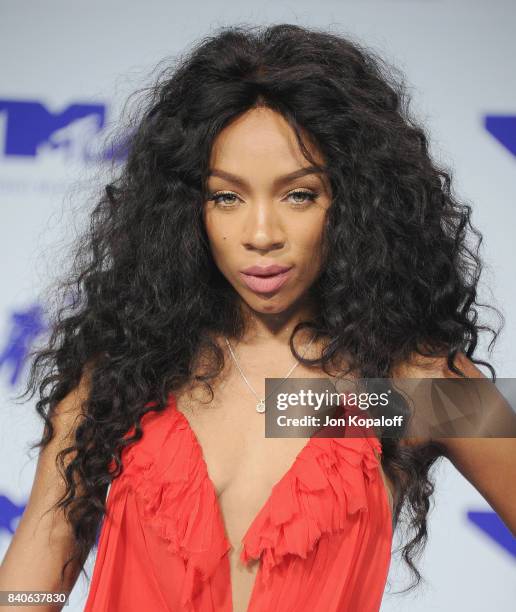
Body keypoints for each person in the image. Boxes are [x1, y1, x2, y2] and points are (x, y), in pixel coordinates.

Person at [1, 23, 515, 612]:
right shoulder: (122, 377)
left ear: (353, 203)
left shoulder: (404, 385)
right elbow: (25, 591)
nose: (261, 235)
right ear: (187, 210)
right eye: (227, 196)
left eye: (299, 195)